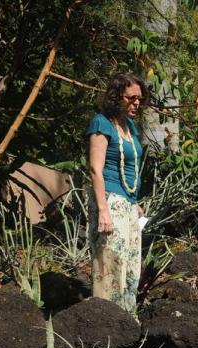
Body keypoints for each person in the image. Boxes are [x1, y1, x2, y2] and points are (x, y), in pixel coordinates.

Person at [86, 73, 149, 315]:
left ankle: (126, 321)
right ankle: (106, 323)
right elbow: (95, 169)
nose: (136, 103)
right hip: (109, 201)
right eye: (131, 98)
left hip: (128, 203)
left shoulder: (129, 126)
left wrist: (134, 203)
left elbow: (131, 166)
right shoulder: (101, 123)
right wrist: (103, 210)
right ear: (116, 97)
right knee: (110, 262)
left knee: (131, 263)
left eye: (140, 99)